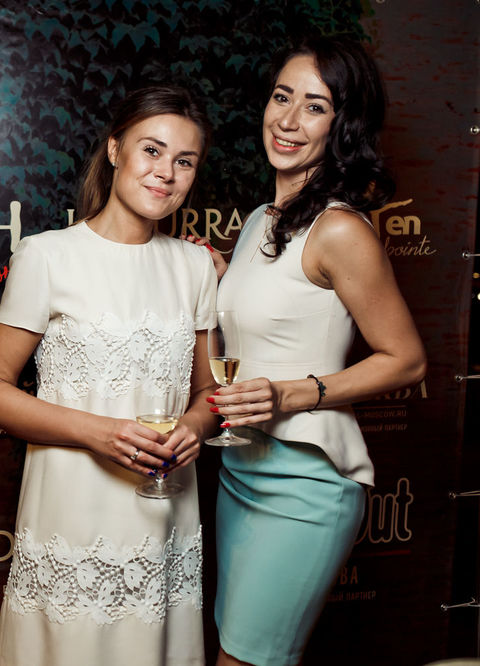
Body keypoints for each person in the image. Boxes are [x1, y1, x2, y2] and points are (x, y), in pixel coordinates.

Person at [0, 85, 219, 666]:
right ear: (114, 150)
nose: (166, 173)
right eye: (151, 150)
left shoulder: (195, 266)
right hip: (72, 512)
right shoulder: (47, 256)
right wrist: (98, 433)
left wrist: (194, 427)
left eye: (184, 161)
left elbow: (210, 392)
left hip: (162, 517)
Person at [199, 37, 427, 666]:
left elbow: (407, 359)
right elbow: (278, 318)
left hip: (306, 482)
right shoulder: (258, 220)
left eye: (316, 106)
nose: (289, 119)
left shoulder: (340, 229)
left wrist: (293, 393)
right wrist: (218, 279)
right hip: (241, 470)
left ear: (342, 125)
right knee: (230, 651)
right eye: (282, 97)